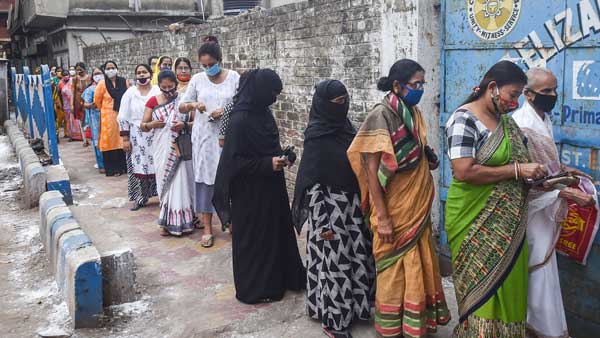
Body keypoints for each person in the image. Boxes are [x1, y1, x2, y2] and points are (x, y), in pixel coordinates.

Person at [347, 59, 450, 338]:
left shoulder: (413, 112)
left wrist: (427, 158)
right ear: (397, 85)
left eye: (422, 84)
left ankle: (416, 322)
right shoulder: (381, 115)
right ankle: (392, 327)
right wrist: (382, 218)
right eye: (416, 85)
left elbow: (415, 150)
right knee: (395, 265)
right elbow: (372, 172)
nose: (421, 90)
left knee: (420, 261)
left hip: (416, 205)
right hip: (393, 208)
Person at [444, 60, 548, 337]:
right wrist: (516, 170)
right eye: (512, 95)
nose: (514, 102)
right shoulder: (463, 119)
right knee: (482, 292)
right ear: (492, 87)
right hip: (473, 219)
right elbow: (464, 171)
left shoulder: (506, 123)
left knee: (510, 284)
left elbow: (519, 163)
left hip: (509, 223)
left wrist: (536, 177)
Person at [512, 67, 594, 338]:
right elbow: (527, 180)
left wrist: (568, 170)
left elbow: (546, 167)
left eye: (555, 89)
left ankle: (541, 327)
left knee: (544, 268)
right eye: (546, 91)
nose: (553, 95)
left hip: (545, 208)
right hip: (534, 209)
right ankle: (540, 328)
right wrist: (567, 193)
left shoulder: (542, 118)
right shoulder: (522, 125)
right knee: (537, 268)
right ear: (527, 93)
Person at [213, 68, 305, 304]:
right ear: (259, 91)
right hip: (249, 193)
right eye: (272, 93)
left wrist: (283, 156)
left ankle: (282, 279)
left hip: (272, 187)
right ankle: (256, 288)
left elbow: (267, 147)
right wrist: (266, 163)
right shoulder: (239, 120)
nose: (274, 99)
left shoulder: (263, 114)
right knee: (255, 239)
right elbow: (233, 163)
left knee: (275, 233)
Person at [292, 79, 375, 338]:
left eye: (345, 100)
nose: (343, 105)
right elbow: (313, 184)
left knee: (356, 258)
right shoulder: (316, 136)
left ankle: (353, 309)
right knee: (334, 264)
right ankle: (335, 321)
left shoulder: (346, 129)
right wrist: (324, 223)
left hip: (352, 207)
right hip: (329, 210)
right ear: (323, 105)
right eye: (337, 102)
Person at [178, 36, 240, 247]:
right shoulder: (197, 80)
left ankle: (230, 221)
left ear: (220, 60)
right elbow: (181, 106)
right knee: (205, 181)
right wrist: (195, 105)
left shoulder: (233, 78)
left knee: (230, 179)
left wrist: (225, 110)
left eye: (211, 65)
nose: (208, 69)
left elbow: (242, 102)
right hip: (204, 137)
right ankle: (207, 227)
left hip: (227, 137)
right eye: (204, 65)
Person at [142, 70, 195, 236]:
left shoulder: (184, 100)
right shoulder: (152, 101)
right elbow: (142, 125)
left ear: (176, 84)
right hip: (161, 148)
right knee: (165, 184)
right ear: (159, 86)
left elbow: (195, 123)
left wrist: (184, 125)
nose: (167, 91)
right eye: (163, 88)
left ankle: (185, 220)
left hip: (181, 148)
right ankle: (166, 222)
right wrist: (152, 125)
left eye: (170, 87)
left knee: (183, 183)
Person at [118, 64, 160, 211]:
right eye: (139, 73)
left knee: (158, 164)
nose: (142, 75)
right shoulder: (130, 93)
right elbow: (123, 116)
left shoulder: (157, 90)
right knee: (138, 166)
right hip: (136, 135)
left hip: (156, 133)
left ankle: (162, 195)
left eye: (144, 72)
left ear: (150, 73)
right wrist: (125, 138)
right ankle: (140, 198)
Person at [94, 60, 128, 177]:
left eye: (112, 67)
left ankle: (124, 167)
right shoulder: (102, 84)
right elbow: (97, 101)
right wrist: (106, 110)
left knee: (122, 140)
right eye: (108, 68)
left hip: (122, 115)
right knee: (110, 142)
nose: (111, 70)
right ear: (104, 70)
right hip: (107, 118)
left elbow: (128, 96)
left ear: (117, 68)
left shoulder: (124, 82)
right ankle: (113, 169)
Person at [82, 67, 106, 173]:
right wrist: (94, 105)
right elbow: (85, 104)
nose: (98, 76)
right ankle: (101, 164)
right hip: (95, 118)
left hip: (108, 117)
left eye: (100, 73)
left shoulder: (108, 86)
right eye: (96, 74)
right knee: (98, 140)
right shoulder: (90, 89)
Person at [59, 68, 83, 141]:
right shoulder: (60, 83)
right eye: (64, 75)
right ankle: (71, 136)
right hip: (66, 104)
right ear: (62, 76)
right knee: (68, 120)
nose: (66, 76)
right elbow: (59, 94)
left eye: (67, 75)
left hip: (74, 102)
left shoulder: (72, 81)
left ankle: (79, 135)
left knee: (76, 119)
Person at [73, 62, 92, 146]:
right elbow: (73, 91)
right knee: (81, 121)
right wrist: (72, 104)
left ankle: (91, 137)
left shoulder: (90, 78)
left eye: (80, 69)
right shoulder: (75, 79)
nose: (79, 71)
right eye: (77, 69)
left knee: (90, 119)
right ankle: (85, 140)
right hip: (78, 102)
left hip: (89, 102)